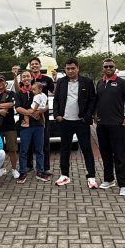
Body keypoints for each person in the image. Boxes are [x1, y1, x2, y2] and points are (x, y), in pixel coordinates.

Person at [52, 58, 98, 188]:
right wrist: (57, 115)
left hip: (81, 122)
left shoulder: (87, 82)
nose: (70, 71)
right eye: (68, 68)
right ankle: (64, 175)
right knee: (64, 149)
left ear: (78, 68)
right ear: (65, 70)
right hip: (65, 121)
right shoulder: (61, 82)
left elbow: (92, 100)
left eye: (73, 68)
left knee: (86, 149)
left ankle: (91, 177)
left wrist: (87, 116)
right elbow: (56, 100)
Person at [94, 58, 125, 196]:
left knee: (119, 155)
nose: (108, 68)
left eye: (111, 66)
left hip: (117, 125)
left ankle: (123, 184)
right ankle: (109, 180)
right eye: (106, 66)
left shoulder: (121, 83)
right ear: (103, 68)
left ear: (114, 67)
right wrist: (95, 115)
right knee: (105, 154)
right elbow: (97, 101)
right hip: (102, 125)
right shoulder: (100, 83)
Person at [15, 73, 49, 183]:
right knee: (23, 150)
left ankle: (40, 171)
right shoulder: (19, 93)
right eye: (23, 77)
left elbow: (47, 106)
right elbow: (18, 108)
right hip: (25, 126)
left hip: (38, 125)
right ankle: (22, 172)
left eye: (27, 76)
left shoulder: (39, 92)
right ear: (21, 79)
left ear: (31, 78)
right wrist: (31, 113)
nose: (26, 78)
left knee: (39, 150)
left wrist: (40, 111)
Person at [27, 57, 55, 173]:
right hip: (29, 113)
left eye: (36, 64)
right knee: (28, 140)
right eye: (32, 64)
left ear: (40, 65)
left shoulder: (46, 79)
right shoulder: (26, 78)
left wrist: (55, 80)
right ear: (30, 66)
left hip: (43, 113)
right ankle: (28, 166)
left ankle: (45, 167)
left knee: (44, 141)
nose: (34, 66)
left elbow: (54, 92)